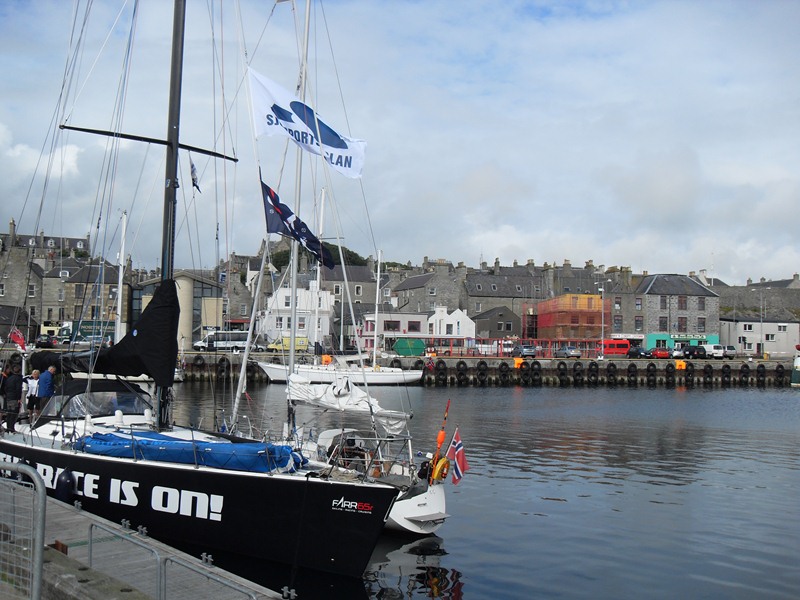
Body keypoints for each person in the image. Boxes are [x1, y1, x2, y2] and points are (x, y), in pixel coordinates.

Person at [3, 364, 23, 432]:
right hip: (14, 398)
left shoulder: (9, 378)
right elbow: (18, 389)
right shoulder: (18, 378)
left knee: (9, 413)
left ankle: (9, 427)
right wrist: (19, 398)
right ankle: (11, 428)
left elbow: (5, 387)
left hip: (8, 397)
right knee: (14, 413)